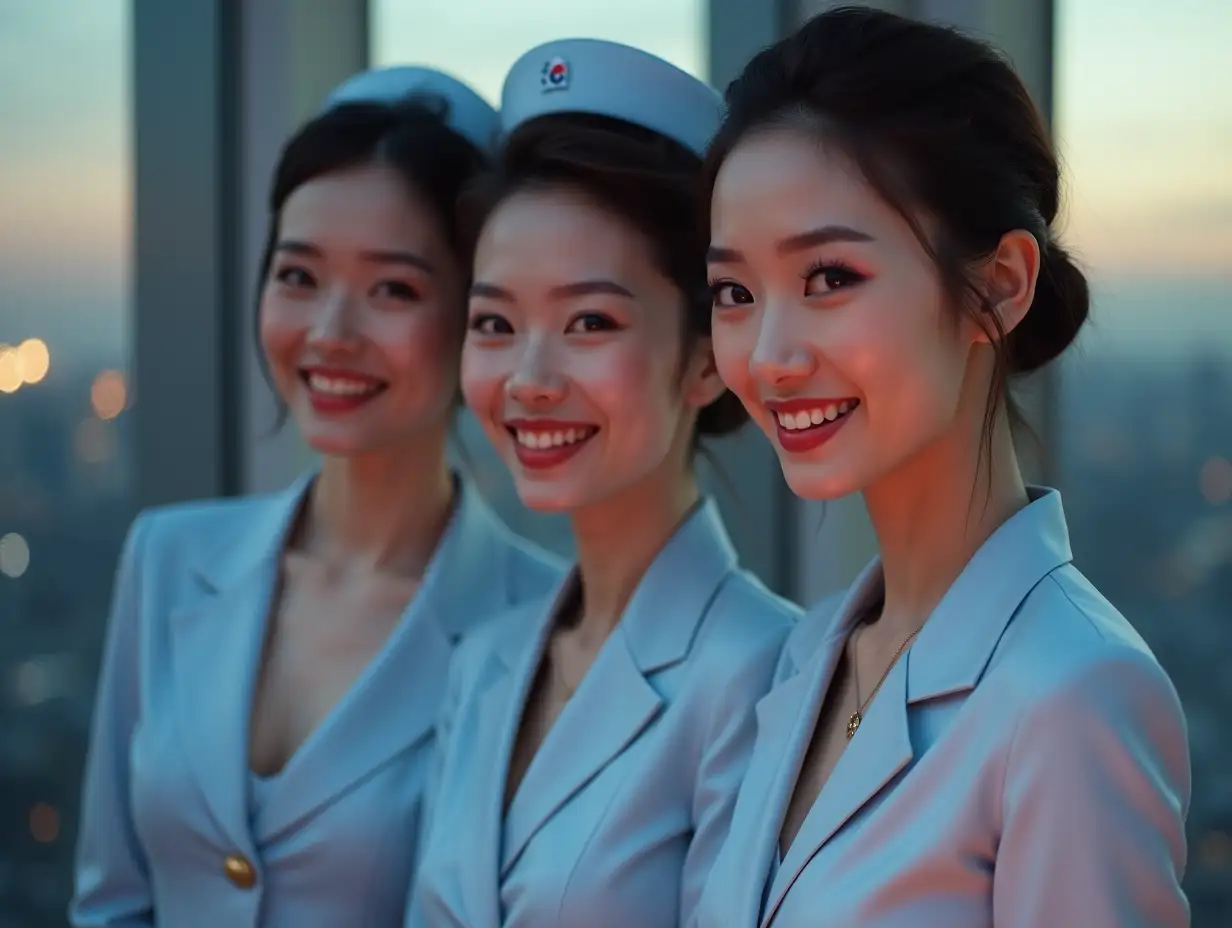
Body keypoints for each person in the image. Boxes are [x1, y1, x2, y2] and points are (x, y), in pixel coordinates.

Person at [694, 7, 1190, 927]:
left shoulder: (1073, 693)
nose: (768, 356)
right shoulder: (809, 658)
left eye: (830, 278)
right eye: (734, 292)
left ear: (999, 287)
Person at [70, 66, 562, 928]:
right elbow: (112, 900)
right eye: (298, 276)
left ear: (480, 318)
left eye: (392, 289)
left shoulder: (543, 625)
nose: (331, 333)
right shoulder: (168, 560)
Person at [408, 38, 799, 928]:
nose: (530, 379)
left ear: (706, 361)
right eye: (495, 322)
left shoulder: (767, 674)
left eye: (589, 321)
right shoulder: (487, 662)